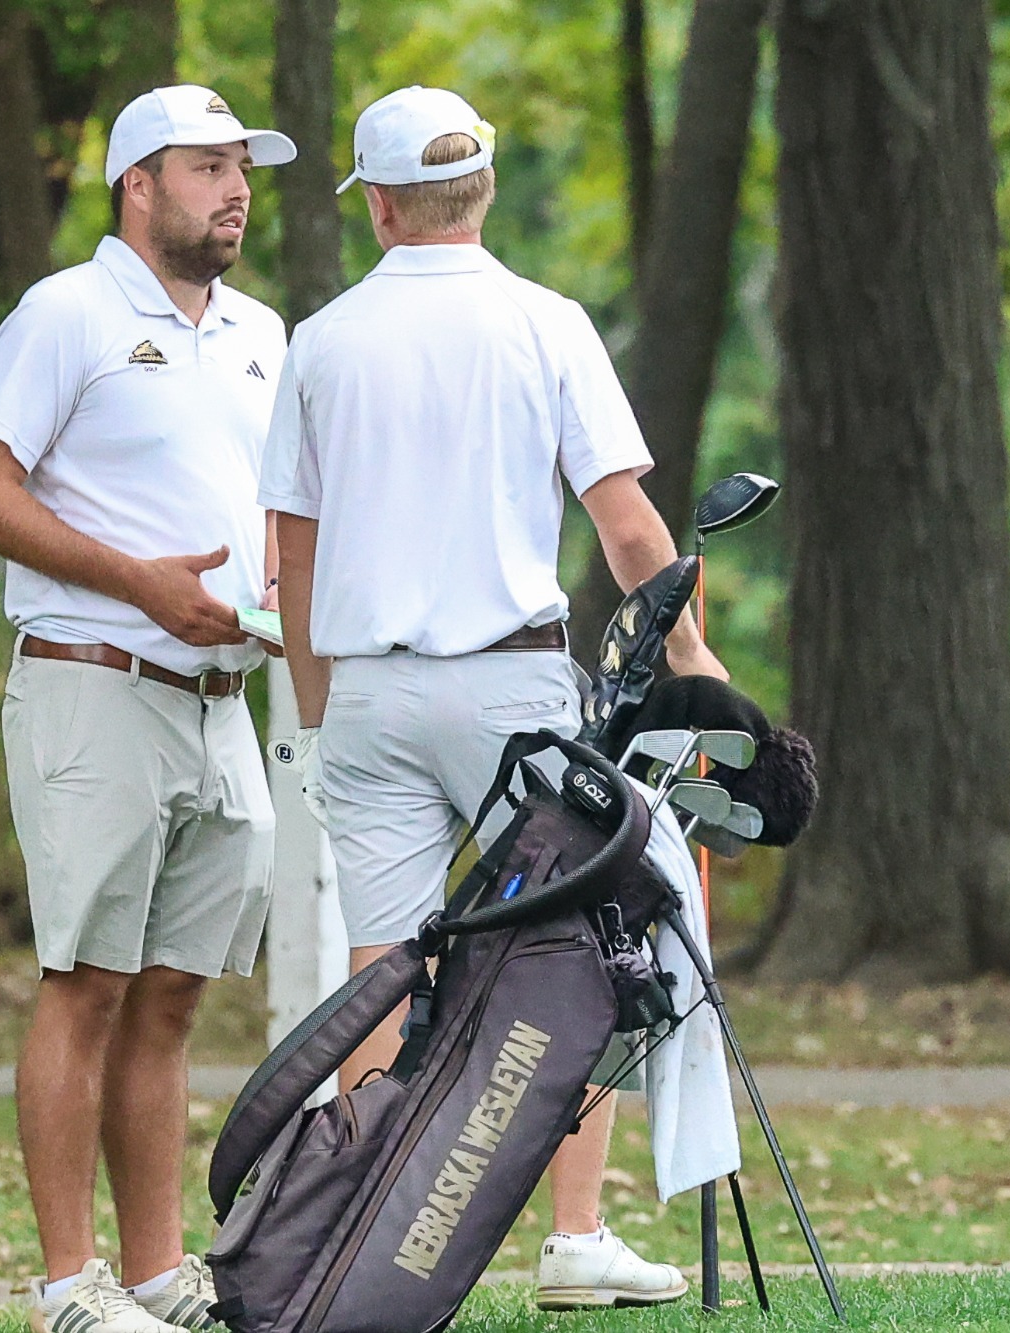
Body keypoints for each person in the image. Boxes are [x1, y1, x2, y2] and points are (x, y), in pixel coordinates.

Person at [263, 85, 726, 1311]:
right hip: (509, 686)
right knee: (586, 934)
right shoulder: (544, 321)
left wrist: (316, 710)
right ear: (482, 191)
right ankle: (573, 1235)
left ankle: (352, 1244)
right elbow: (626, 526)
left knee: (378, 963)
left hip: (365, 689)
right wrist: (694, 664)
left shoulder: (320, 340)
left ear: (377, 206)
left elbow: (291, 552)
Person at [0, 85, 294, 1333]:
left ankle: (153, 1273)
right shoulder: (65, 314)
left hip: (222, 698)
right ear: (136, 186)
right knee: (85, 983)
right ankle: (65, 1288)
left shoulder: (261, 332)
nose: (234, 190)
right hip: (94, 682)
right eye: (206, 168)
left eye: (241, 168)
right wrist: (139, 582)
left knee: (173, 995)